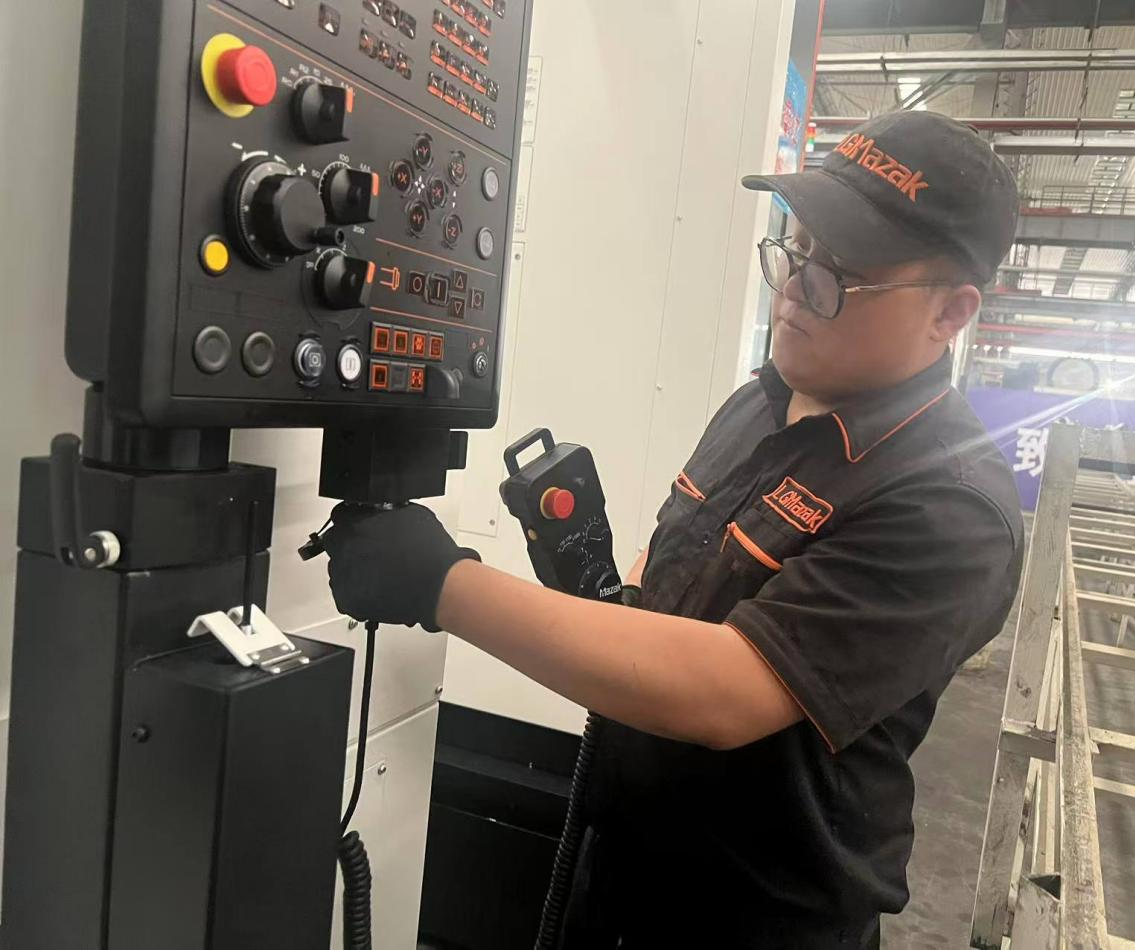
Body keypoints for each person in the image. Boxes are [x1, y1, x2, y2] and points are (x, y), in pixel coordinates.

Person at [322, 110, 1024, 949]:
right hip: (620, 871)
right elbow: (668, 590)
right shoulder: (758, 404)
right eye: (794, 250)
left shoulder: (950, 508)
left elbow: (724, 690)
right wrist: (594, 589)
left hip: (754, 920)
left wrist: (442, 583)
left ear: (950, 312)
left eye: (839, 274)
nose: (795, 289)